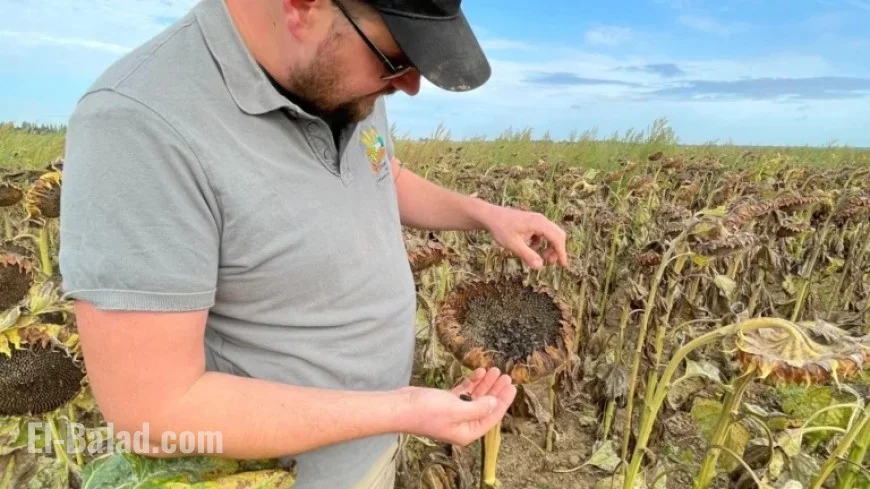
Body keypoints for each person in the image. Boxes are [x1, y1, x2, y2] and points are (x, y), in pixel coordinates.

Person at [58, 0, 570, 487]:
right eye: (398, 58)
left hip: (371, 452)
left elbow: (380, 173)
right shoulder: (140, 125)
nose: (409, 85)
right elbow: (155, 410)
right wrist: (403, 409)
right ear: (303, 7)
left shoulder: (342, 75)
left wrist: (487, 214)